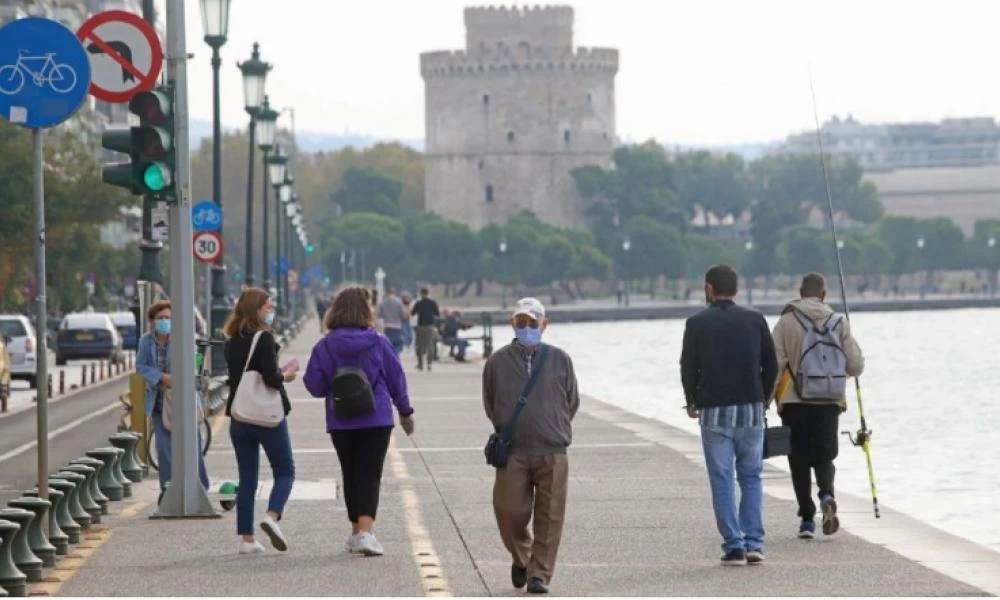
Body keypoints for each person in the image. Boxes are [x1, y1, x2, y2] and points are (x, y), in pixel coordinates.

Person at [303, 286, 415, 557]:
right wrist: (405, 410)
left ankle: (357, 531)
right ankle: (365, 532)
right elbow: (395, 377)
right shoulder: (379, 342)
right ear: (367, 310)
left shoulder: (325, 345)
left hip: (341, 418)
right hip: (376, 417)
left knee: (350, 472)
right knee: (370, 473)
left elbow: (314, 385)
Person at [680, 265, 778, 566]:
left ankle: (733, 545)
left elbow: (688, 366)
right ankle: (754, 543)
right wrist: (763, 398)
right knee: (751, 477)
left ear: (709, 288)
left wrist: (692, 400)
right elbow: (772, 365)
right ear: (735, 289)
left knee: (722, 479)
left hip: (714, 413)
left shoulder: (697, 323)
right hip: (750, 410)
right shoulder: (755, 319)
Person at [483, 298, 579, 594]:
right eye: (521, 322)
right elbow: (490, 402)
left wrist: (555, 424)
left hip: (552, 450)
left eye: (532, 323)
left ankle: (540, 574)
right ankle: (523, 556)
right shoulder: (497, 362)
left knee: (550, 517)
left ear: (544, 325)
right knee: (508, 511)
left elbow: (572, 401)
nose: (526, 328)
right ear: (513, 324)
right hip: (514, 451)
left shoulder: (560, 359)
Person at [772, 272, 865, 539]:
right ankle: (826, 494)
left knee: (798, 459)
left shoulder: (786, 321)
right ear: (824, 295)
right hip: (829, 401)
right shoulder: (839, 322)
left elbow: (775, 364)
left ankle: (806, 520)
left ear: (800, 293)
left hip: (793, 401)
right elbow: (856, 365)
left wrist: (766, 399)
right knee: (825, 455)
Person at [223, 288, 297, 555]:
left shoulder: (231, 341)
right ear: (255, 310)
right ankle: (272, 516)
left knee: (247, 478)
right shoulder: (263, 338)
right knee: (285, 470)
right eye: (267, 306)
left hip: (240, 415)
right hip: (267, 417)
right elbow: (270, 378)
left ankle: (247, 539)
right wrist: (286, 376)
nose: (271, 310)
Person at [135, 299, 210, 500]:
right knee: (165, 450)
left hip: (184, 401)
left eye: (168, 318)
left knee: (193, 445)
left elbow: (193, 365)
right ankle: (167, 491)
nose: (165, 321)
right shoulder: (145, 341)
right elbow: (140, 366)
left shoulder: (183, 339)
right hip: (160, 403)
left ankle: (201, 487)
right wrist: (161, 377)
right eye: (160, 318)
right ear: (152, 321)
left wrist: (176, 377)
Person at [410, 287, 440, 371]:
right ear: (428, 293)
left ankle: (420, 364)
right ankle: (429, 364)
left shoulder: (419, 303)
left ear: (421, 293)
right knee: (430, 345)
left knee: (419, 345)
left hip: (421, 326)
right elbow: (437, 313)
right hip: (430, 326)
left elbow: (413, 313)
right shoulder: (433, 302)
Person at [377, 288, 409, 355]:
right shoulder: (399, 302)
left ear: (387, 293)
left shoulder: (382, 303)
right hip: (397, 326)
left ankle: (391, 355)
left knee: (389, 344)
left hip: (387, 326)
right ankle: (395, 355)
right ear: (394, 293)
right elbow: (403, 315)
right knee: (399, 344)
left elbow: (379, 315)